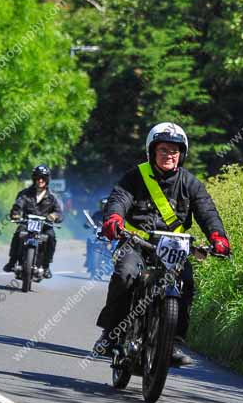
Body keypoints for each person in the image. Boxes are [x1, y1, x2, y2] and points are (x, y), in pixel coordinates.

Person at [93, 122, 231, 365]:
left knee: (186, 283)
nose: (169, 155)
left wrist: (217, 237)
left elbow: (207, 211)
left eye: (175, 151)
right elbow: (119, 199)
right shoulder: (135, 176)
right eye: (164, 150)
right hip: (136, 243)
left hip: (173, 247)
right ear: (152, 151)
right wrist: (114, 218)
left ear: (182, 154)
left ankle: (174, 342)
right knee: (124, 275)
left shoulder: (190, 183)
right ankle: (111, 334)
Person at [3, 164, 63, 279]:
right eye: (38, 177)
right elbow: (18, 205)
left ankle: (46, 266)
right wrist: (16, 214)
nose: (40, 180)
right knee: (18, 234)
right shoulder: (24, 194)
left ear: (47, 179)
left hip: (45, 225)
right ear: (34, 178)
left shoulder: (53, 197)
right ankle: (12, 261)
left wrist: (54, 216)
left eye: (43, 178)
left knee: (51, 237)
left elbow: (59, 212)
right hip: (27, 223)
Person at [84, 197, 108, 271]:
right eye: (103, 204)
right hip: (96, 235)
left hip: (109, 235)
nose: (104, 206)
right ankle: (88, 259)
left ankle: (114, 263)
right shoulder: (97, 214)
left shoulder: (112, 215)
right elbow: (91, 221)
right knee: (89, 239)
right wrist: (87, 224)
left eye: (105, 205)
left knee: (115, 245)